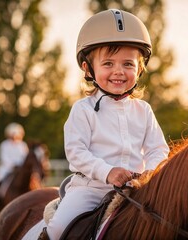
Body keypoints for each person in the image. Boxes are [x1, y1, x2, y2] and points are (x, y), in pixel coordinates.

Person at [40, 9, 170, 240]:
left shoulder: (144, 111)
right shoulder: (83, 109)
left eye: (128, 64)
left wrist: (151, 171)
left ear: (139, 69)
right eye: (108, 63)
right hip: (91, 189)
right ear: (88, 68)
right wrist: (107, 172)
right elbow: (76, 152)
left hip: (137, 190)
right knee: (58, 229)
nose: (119, 71)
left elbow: (157, 149)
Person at [0, 122, 29, 209]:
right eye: (13, 134)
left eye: (16, 134)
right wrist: (12, 165)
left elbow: (25, 158)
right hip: (7, 168)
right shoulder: (4, 145)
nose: (14, 137)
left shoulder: (23, 145)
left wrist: (20, 166)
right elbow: (4, 158)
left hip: (20, 169)